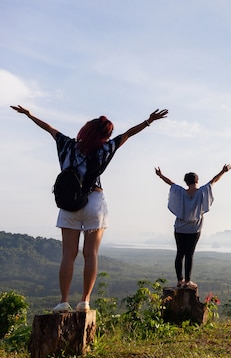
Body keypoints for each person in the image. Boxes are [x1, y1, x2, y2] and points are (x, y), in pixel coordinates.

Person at [10, 104, 168, 313]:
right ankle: (85, 300)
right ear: (105, 134)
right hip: (94, 201)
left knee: (68, 254)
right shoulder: (104, 149)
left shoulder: (67, 145)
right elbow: (128, 134)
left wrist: (29, 115)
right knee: (90, 253)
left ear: (86, 130)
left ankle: (63, 301)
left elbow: (49, 128)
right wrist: (148, 121)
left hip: (69, 201)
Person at [155, 164, 231, 290]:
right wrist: (223, 171)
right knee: (189, 254)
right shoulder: (202, 192)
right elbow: (214, 180)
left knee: (180, 253)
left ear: (186, 182)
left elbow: (170, 183)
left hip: (179, 228)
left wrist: (160, 175)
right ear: (197, 180)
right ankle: (187, 281)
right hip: (194, 230)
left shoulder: (180, 192)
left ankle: (180, 280)